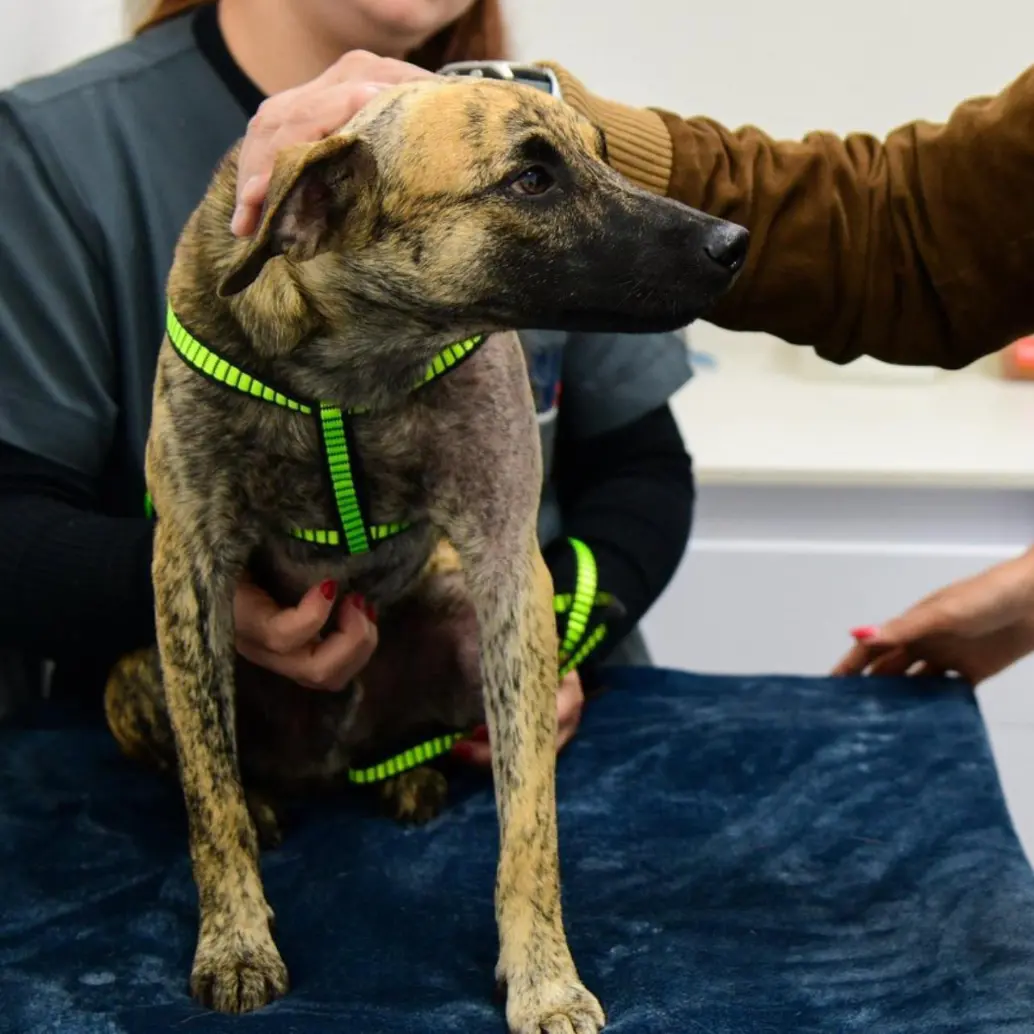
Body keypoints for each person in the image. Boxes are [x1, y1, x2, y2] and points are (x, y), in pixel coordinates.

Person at [0, 1, 697, 765]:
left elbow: (644, 470)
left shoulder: (535, 133)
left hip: (504, 753)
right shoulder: (55, 151)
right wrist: (207, 599)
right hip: (213, 758)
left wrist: (534, 642)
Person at [228, 50, 1034, 693]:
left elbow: (643, 469)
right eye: (534, 178)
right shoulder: (125, 148)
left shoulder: (499, 155)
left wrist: (530, 651)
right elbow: (900, 228)